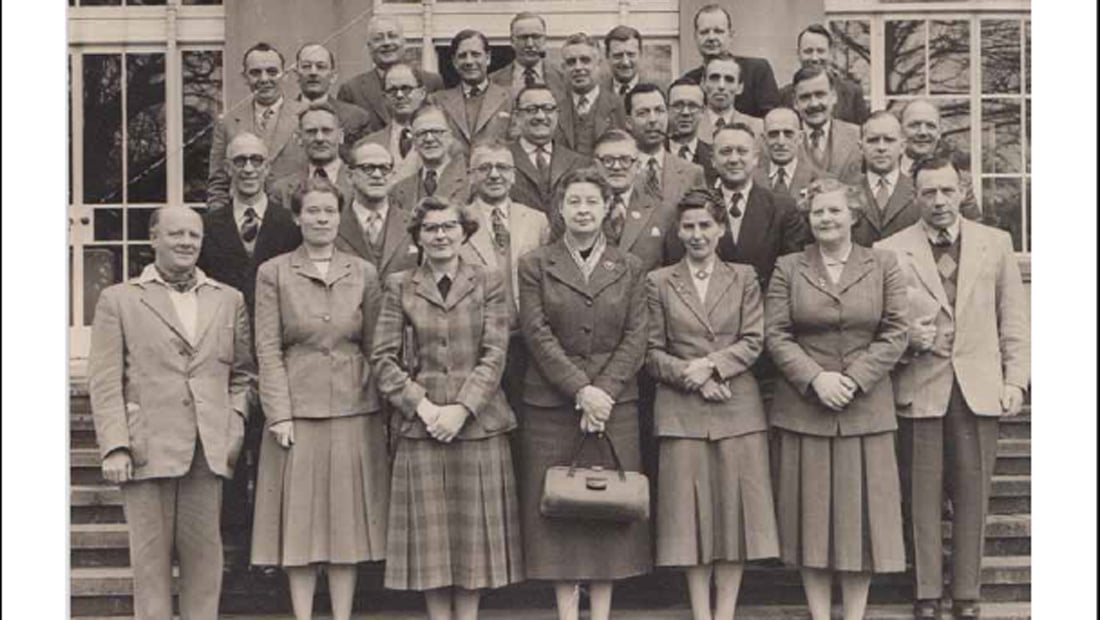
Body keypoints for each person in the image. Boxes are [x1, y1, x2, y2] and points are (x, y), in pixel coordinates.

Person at [875, 157, 1029, 620]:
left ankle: (966, 594)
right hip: (919, 385)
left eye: (947, 191)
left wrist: (1016, 380)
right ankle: (925, 593)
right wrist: (908, 341)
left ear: (962, 191)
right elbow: (880, 326)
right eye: (929, 193)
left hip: (977, 388)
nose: (939, 201)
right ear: (915, 196)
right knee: (920, 496)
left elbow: (1013, 319)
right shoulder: (889, 250)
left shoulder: (995, 243)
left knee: (972, 495)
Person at [89, 206, 255, 620]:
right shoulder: (119, 299)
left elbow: (243, 374)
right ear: (153, 239)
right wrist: (116, 446)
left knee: (206, 565)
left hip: (207, 450)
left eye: (193, 235)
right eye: (176, 234)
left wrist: (233, 426)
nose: (186, 242)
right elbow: (105, 381)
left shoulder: (228, 299)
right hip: (146, 450)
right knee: (150, 568)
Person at [371, 196, 524, 620]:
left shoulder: (489, 281)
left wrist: (461, 409)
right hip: (421, 426)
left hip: (478, 424)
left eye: (449, 227)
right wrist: (423, 407)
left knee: (471, 538)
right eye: (431, 228)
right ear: (418, 237)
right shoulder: (399, 284)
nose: (440, 235)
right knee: (431, 543)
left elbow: (495, 353)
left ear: (464, 233)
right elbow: (382, 358)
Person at [765, 178, 909, 620]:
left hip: (865, 410)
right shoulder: (789, 267)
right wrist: (816, 379)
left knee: (859, 520)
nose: (826, 219)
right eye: (818, 212)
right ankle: (819, 614)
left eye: (834, 211)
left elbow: (896, 331)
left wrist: (853, 379)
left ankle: (855, 615)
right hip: (805, 410)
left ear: (853, 216)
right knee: (810, 521)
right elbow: (776, 333)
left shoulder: (883, 264)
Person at [250, 177, 388, 620]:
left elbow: (377, 346)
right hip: (297, 410)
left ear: (339, 217)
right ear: (297, 217)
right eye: (312, 211)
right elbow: (267, 348)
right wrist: (279, 413)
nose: (322, 219)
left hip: (355, 407)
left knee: (346, 526)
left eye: (329, 211)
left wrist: (383, 409)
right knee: (300, 524)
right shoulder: (273, 272)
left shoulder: (363, 272)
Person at [517, 167, 651, 620]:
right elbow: (536, 333)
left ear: (607, 207)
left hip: (614, 406)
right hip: (552, 406)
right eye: (574, 201)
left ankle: (603, 613)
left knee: (607, 507)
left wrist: (603, 392)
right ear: (559, 209)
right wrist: (581, 390)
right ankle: (567, 613)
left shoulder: (629, 266)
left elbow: (637, 335)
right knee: (561, 510)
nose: (583, 210)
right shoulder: (535, 264)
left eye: (592, 201)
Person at [646, 188, 779, 620]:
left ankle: (725, 613)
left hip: (737, 409)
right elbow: (651, 350)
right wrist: (693, 377)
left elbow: (754, 339)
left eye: (705, 225)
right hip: (681, 412)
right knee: (690, 521)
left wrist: (712, 367)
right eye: (688, 226)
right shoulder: (659, 282)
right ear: (678, 231)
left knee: (733, 519)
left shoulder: (743, 277)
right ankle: (702, 614)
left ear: (721, 228)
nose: (697, 234)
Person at [197, 132, 301, 559]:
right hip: (226, 354)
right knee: (231, 449)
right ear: (227, 168)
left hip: (279, 352)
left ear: (268, 167)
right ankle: (234, 552)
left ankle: (273, 553)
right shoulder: (209, 226)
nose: (248, 168)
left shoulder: (288, 225)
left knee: (276, 452)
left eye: (256, 159)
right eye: (239, 160)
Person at [459, 139, 551, 409]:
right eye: (484, 168)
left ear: (513, 175)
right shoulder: (456, 221)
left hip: (526, 341)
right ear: (471, 176)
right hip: (476, 341)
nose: (494, 175)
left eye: (502, 167)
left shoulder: (536, 220)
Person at [683, 124, 808, 292]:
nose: (734, 159)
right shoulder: (696, 209)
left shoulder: (782, 208)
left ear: (755, 158)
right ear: (712, 160)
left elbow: (791, 273)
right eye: (726, 152)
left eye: (742, 151)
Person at [208, 42, 303, 210]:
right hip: (244, 218)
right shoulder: (227, 122)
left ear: (285, 75)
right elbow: (218, 183)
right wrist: (219, 220)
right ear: (244, 77)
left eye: (272, 72)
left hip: (292, 216)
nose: (264, 79)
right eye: (255, 73)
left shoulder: (306, 116)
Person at [337, 15, 444, 125]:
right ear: (369, 47)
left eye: (392, 36)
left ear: (404, 42)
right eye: (378, 39)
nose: (386, 43)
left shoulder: (432, 82)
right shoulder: (351, 90)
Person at [336, 140, 420, 279]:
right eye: (368, 168)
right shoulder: (334, 224)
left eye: (384, 168)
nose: (377, 175)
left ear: (392, 175)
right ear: (350, 176)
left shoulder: (413, 224)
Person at [680, 4, 780, 118]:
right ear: (695, 37)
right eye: (704, 32)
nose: (711, 37)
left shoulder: (756, 71)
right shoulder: (690, 81)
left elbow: (772, 119)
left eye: (718, 31)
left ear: (730, 35)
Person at [592, 129, 670, 272]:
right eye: (608, 160)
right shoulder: (579, 209)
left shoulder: (662, 211)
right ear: (595, 165)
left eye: (625, 160)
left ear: (638, 166)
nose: (617, 167)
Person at [508, 84, 591, 218]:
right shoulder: (502, 160)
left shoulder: (579, 163)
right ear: (517, 116)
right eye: (531, 109)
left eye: (548, 109)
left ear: (557, 115)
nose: (541, 116)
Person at [625, 83, 707, 215]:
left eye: (659, 111)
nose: (653, 119)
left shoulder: (692, 173)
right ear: (629, 122)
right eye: (643, 113)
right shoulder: (619, 169)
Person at [431, 29, 513, 155]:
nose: (469, 61)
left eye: (475, 54)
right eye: (462, 56)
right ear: (454, 61)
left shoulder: (510, 98)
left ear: (488, 58)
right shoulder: (437, 101)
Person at [898, 99, 982, 221]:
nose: (923, 132)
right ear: (900, 131)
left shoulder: (960, 178)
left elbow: (973, 227)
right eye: (914, 125)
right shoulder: (886, 174)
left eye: (930, 126)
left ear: (939, 133)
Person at [294, 43, 379, 152]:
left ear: (333, 76)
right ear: (297, 74)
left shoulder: (356, 118)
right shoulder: (281, 116)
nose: (313, 72)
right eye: (306, 66)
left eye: (321, 67)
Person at [851, 111, 919, 247]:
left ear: (902, 146)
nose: (881, 148)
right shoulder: (847, 192)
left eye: (889, 140)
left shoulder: (918, 191)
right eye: (873, 140)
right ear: (861, 147)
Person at [778, 24, 869, 125]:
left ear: (830, 53)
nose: (814, 58)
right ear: (798, 54)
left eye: (820, 51)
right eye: (808, 51)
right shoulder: (783, 96)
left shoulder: (852, 93)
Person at [555, 32, 628, 156]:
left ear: (598, 64)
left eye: (585, 60)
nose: (578, 67)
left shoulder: (619, 105)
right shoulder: (555, 108)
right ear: (563, 68)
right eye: (571, 62)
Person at [272, 102, 355, 207]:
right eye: (311, 132)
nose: (319, 138)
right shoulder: (282, 190)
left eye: (326, 131)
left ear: (340, 136)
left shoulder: (359, 183)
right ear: (299, 138)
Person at [390, 104, 470, 206]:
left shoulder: (470, 181)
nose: (429, 139)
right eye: (421, 133)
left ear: (450, 136)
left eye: (436, 131)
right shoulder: (399, 190)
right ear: (414, 141)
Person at [791, 65, 862, 181]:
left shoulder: (857, 136)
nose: (814, 104)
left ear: (834, 97)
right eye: (805, 97)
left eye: (820, 95)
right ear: (795, 102)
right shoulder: (784, 139)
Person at [363, 62, 428, 183]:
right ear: (384, 97)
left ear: (422, 93)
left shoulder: (445, 142)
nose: (399, 95)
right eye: (392, 90)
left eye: (406, 89)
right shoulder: (367, 145)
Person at [489, 12, 566, 99]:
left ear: (544, 40)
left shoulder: (564, 78)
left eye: (536, 37)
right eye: (523, 37)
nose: (530, 44)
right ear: (512, 41)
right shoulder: (492, 82)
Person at [697, 53, 763, 144]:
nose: (721, 86)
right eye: (714, 78)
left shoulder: (757, 128)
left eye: (729, 79)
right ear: (703, 84)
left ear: (740, 87)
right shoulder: (692, 125)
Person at [667, 79, 715, 179]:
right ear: (667, 109)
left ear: (703, 111)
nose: (685, 112)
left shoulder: (714, 157)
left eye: (693, 106)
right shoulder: (653, 153)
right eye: (678, 105)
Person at [603, 26, 660, 101]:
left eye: (631, 55)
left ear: (640, 54)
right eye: (618, 56)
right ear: (607, 56)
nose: (625, 62)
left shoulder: (658, 92)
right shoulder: (596, 94)